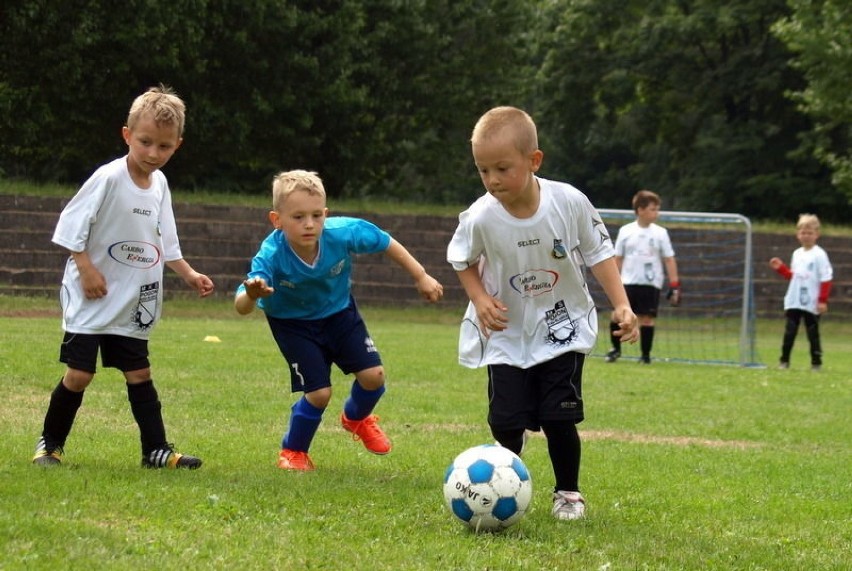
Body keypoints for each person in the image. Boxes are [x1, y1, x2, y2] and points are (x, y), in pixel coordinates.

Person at [446, 106, 638, 521]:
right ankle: (505, 480)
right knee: (504, 421)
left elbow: (599, 253)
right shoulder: (480, 216)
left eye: (502, 168)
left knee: (559, 416)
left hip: (562, 324)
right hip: (506, 329)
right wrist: (479, 299)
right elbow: (461, 259)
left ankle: (568, 492)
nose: (492, 180)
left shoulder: (568, 202)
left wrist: (621, 303)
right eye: (483, 171)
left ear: (534, 161)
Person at [32, 85, 215, 469]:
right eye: (145, 142)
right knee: (80, 374)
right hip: (92, 295)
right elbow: (70, 224)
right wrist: (86, 268)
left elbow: (165, 239)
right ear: (127, 135)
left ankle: (156, 450)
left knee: (139, 372)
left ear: (177, 145)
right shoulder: (108, 178)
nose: (153, 153)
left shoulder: (161, 185)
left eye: (163, 147)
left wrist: (189, 274)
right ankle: (49, 446)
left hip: (134, 298)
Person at [235, 169, 443, 471]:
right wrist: (252, 295)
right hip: (292, 324)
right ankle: (293, 452)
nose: (309, 224)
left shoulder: (343, 232)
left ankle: (356, 418)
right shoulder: (271, 254)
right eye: (298, 217)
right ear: (276, 220)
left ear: (326, 214)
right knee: (319, 393)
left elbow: (385, 241)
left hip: (340, 314)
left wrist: (421, 276)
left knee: (374, 377)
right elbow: (241, 306)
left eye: (316, 215)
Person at [605, 190, 680, 365]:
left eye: (657, 209)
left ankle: (645, 355)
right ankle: (615, 350)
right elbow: (618, 258)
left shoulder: (661, 233)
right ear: (640, 210)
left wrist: (674, 284)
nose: (657, 213)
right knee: (617, 315)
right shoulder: (626, 231)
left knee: (647, 318)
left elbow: (669, 258)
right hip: (627, 282)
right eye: (653, 209)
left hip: (650, 283)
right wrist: (613, 282)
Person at [769, 213, 833, 371]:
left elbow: (826, 278)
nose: (806, 236)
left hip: (811, 301)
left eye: (810, 233)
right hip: (795, 299)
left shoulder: (820, 254)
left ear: (816, 234)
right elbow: (794, 277)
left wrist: (822, 300)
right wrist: (781, 269)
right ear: (798, 234)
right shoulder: (797, 254)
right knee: (790, 331)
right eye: (803, 232)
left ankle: (816, 363)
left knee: (812, 333)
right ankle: (784, 361)